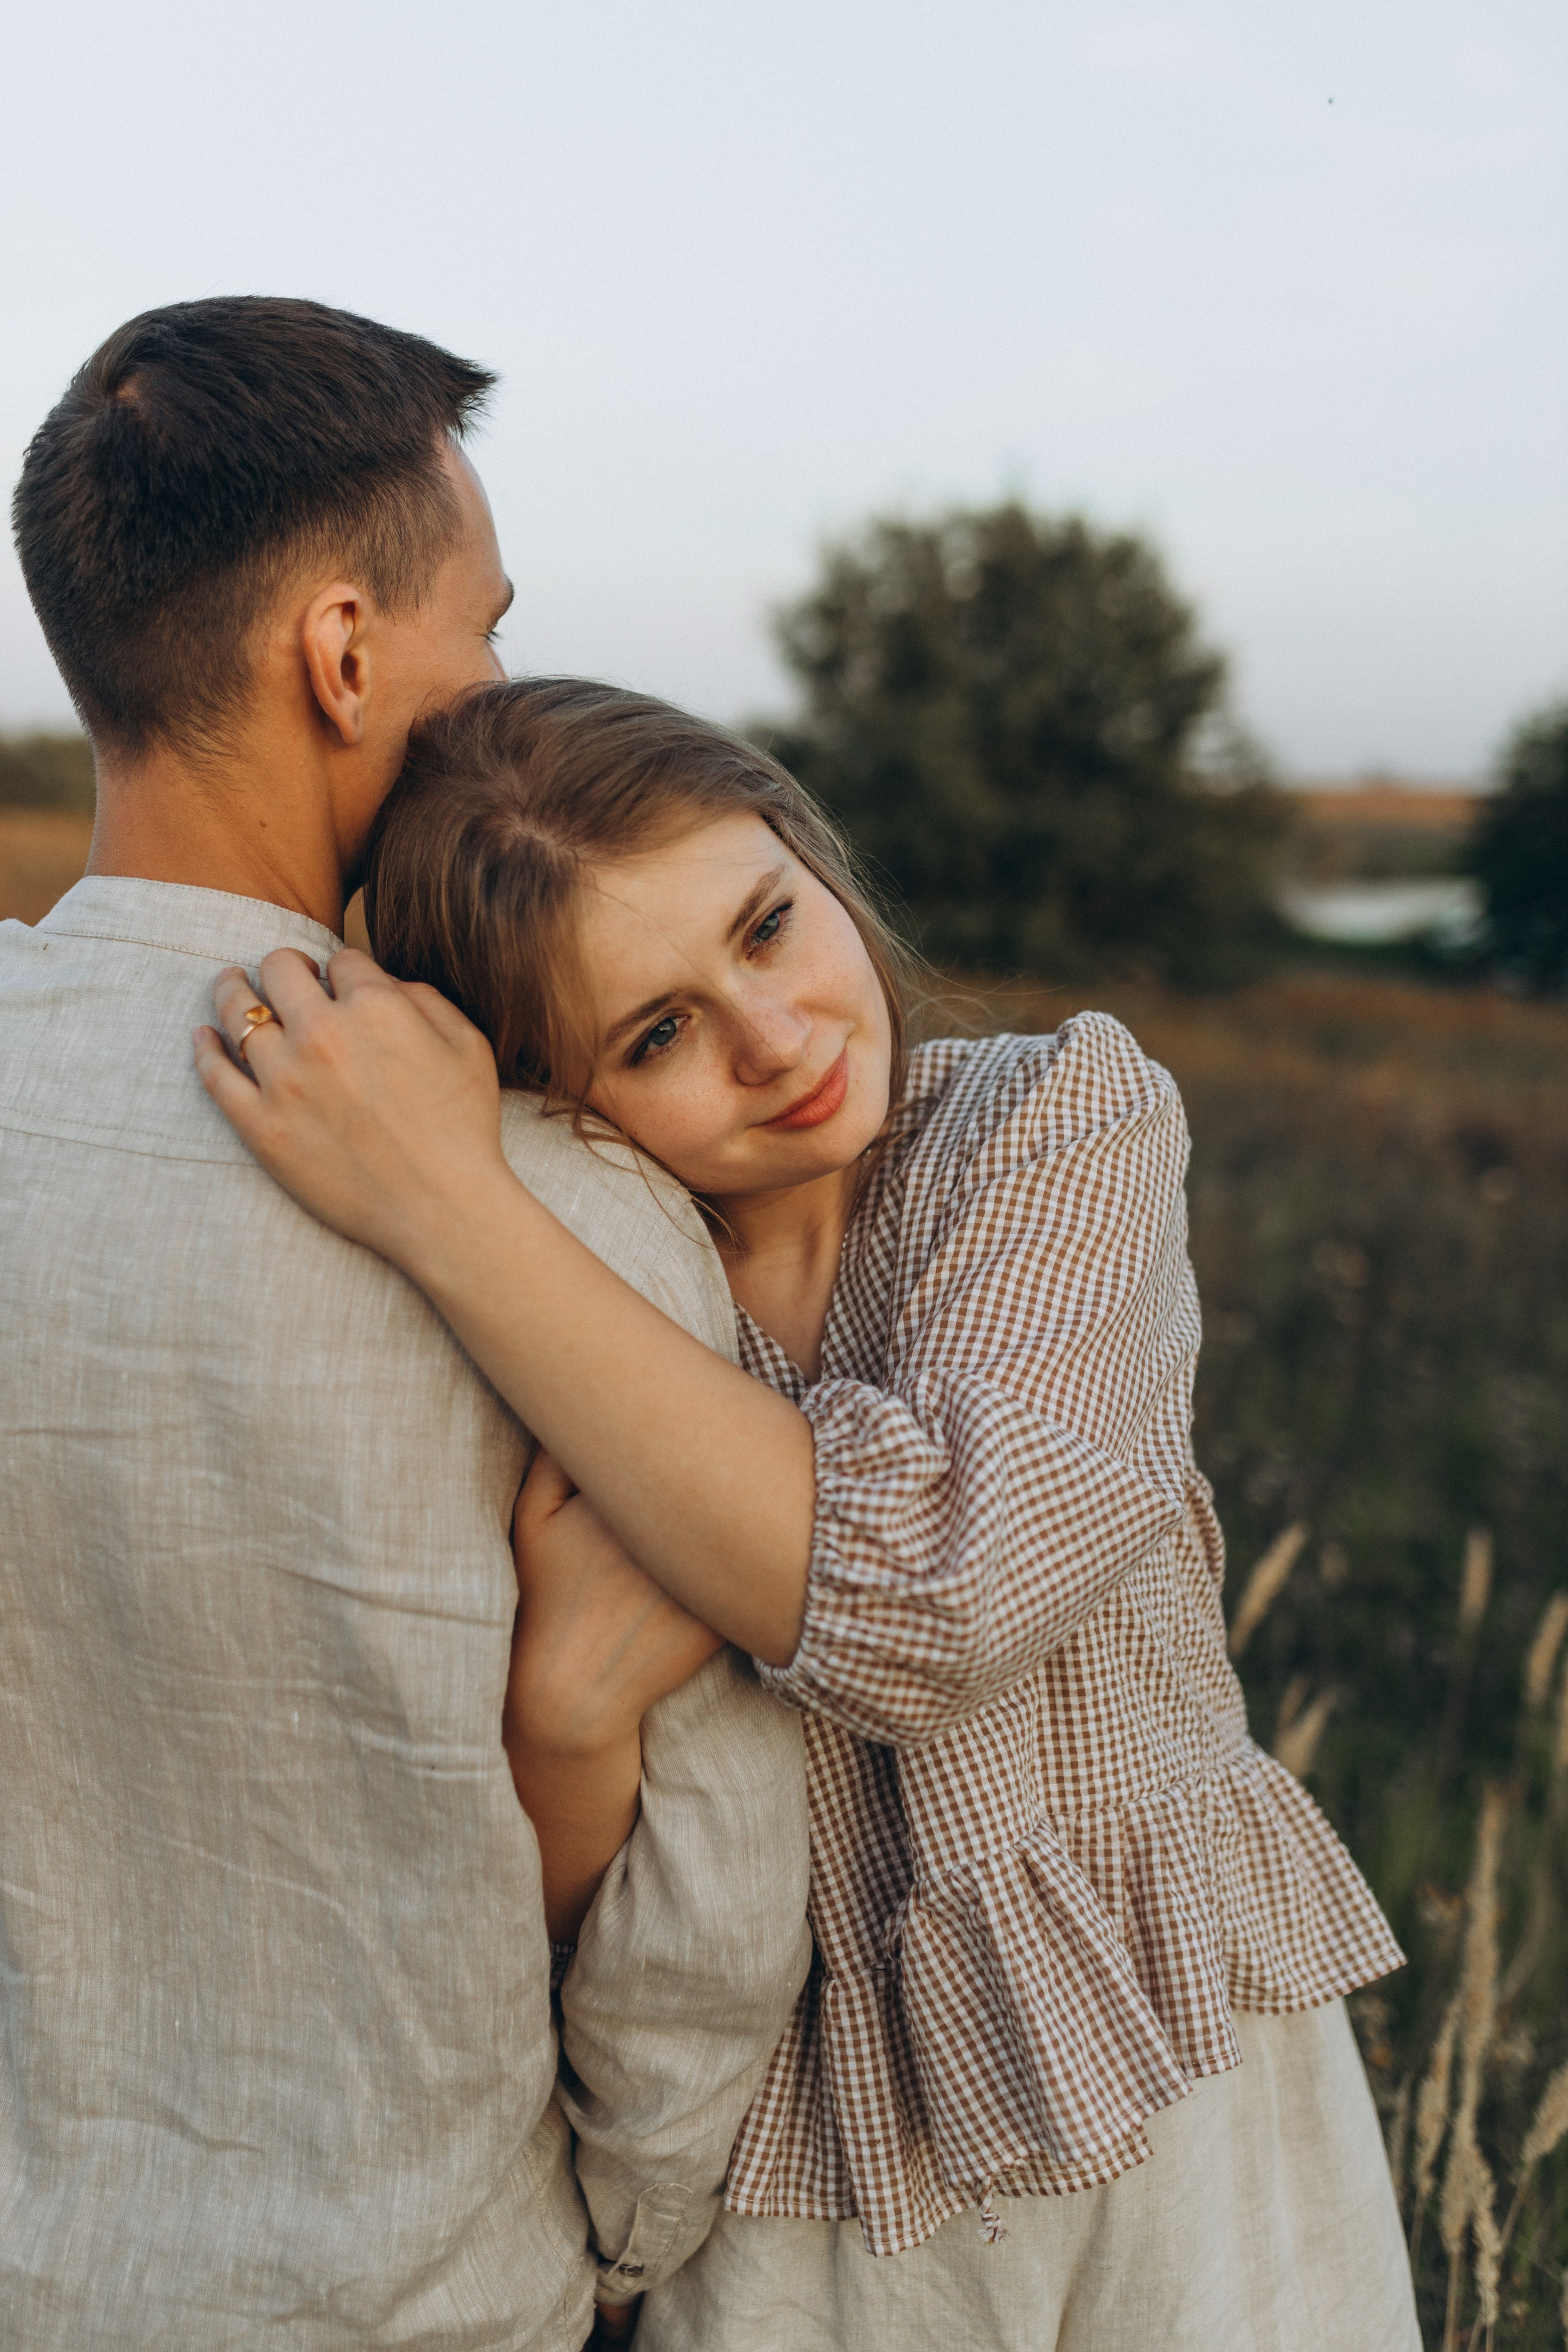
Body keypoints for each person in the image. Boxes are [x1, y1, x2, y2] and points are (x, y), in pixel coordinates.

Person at [195, 676, 1423, 2351]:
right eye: (658, 1033)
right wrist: (563, 1725)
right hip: (793, 2169)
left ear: (810, 853)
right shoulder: (593, 1296)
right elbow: (504, 1905)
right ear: (557, 1098)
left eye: (770, 927)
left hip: (1179, 2068)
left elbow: (945, 1589)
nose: (775, 1040)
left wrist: (445, 1206)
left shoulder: (1049, 1125)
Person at [0, 304, 810, 2352]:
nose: (498, 685)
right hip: (411, 2296)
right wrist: (608, 2242)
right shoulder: (578, 1217)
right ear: (344, 656)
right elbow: (702, 1917)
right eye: (482, 627)